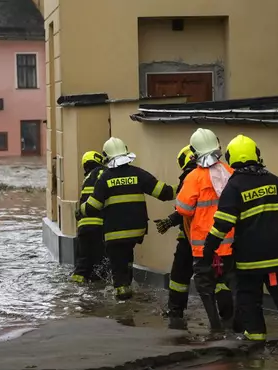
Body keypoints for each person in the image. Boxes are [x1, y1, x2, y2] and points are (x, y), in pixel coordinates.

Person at [202, 134, 278, 354]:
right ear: (257, 155)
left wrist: (208, 250)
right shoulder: (273, 180)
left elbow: (222, 225)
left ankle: (255, 341)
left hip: (250, 259)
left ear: (231, 158)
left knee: (248, 297)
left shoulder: (233, 187)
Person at [79, 137, 176, 300]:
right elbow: (164, 193)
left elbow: (92, 207)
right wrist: (185, 185)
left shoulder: (105, 178)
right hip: (136, 231)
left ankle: (123, 301)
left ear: (107, 156)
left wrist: (80, 209)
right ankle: (128, 284)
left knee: (117, 266)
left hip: (115, 233)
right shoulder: (138, 174)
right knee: (127, 257)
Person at [175, 128, 236, 333]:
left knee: (205, 285)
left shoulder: (194, 177)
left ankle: (215, 326)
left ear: (194, 151)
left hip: (203, 246)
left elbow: (183, 209)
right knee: (228, 281)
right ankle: (233, 321)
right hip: (229, 243)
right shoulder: (230, 172)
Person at [154, 145, 197, 330]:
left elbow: (186, 208)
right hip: (215, 236)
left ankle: (176, 310)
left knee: (179, 274)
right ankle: (224, 315)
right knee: (216, 277)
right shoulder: (215, 174)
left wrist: (169, 221)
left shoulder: (190, 178)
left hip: (192, 235)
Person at [71, 150, 106, 284]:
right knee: (99, 263)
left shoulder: (87, 179)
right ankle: (96, 287)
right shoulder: (105, 175)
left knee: (82, 262)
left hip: (84, 228)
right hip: (100, 227)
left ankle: (76, 285)